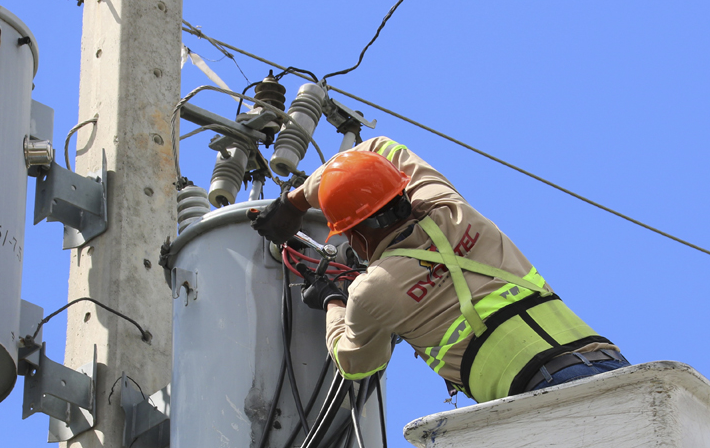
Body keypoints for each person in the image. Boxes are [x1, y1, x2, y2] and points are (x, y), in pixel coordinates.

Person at [250, 137, 628, 403]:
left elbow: (356, 363)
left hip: (539, 394)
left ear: (355, 236)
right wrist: (295, 201)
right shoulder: (450, 209)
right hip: (608, 362)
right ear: (402, 192)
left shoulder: (372, 291)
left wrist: (333, 300)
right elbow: (379, 147)